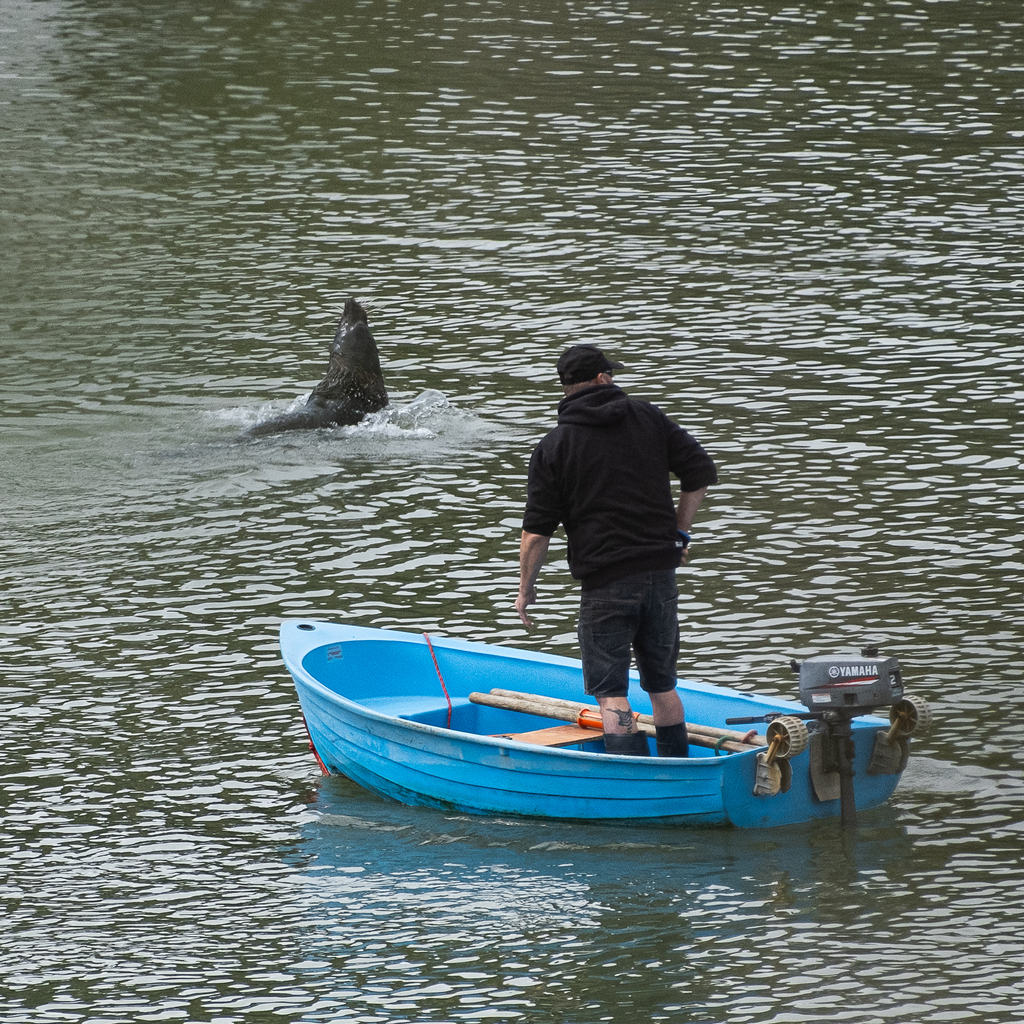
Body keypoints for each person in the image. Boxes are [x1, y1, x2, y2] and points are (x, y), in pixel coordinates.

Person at [515, 344, 718, 757]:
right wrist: (679, 533)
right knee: (662, 685)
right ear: (603, 378)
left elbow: (536, 533)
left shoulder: (555, 446)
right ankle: (678, 774)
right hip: (660, 573)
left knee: (610, 693)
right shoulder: (649, 417)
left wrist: (526, 588)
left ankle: (635, 780)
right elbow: (700, 471)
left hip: (605, 582)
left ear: (566, 387)